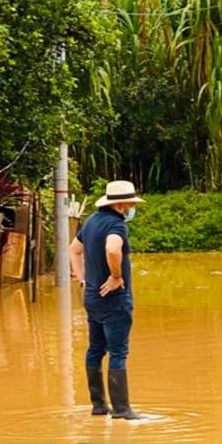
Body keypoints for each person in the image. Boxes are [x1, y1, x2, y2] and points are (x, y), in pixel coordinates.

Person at [69, 180, 144, 420]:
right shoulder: (116, 225)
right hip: (114, 300)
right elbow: (113, 250)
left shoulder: (91, 222)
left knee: (95, 349)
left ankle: (99, 405)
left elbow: (74, 250)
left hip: (92, 298)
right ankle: (122, 409)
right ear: (122, 204)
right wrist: (116, 276)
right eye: (131, 202)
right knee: (118, 352)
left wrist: (82, 279)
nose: (133, 206)